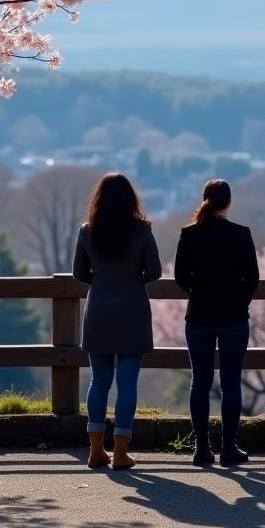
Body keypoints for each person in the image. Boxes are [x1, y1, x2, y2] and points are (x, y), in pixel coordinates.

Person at [72, 172, 162, 470]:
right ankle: (121, 452)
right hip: (133, 309)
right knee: (127, 383)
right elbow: (156, 272)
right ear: (130, 199)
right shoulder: (142, 231)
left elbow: (79, 274)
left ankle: (95, 451)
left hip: (99, 309)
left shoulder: (88, 231)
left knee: (98, 381)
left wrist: (101, 279)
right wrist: (134, 278)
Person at [174, 178, 260, 467]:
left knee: (200, 381)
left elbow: (180, 278)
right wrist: (238, 300)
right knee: (231, 382)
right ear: (229, 202)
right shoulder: (240, 234)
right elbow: (253, 279)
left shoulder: (189, 234)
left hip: (198, 316)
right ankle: (229, 448)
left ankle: (201, 448)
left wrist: (199, 294)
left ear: (204, 200)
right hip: (233, 317)